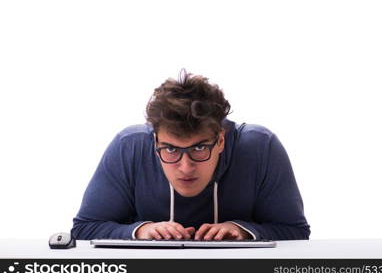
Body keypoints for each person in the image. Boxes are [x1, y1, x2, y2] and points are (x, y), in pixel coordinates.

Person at [71, 69, 310, 241]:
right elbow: (84, 229)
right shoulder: (129, 146)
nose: (185, 167)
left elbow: (296, 231)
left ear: (221, 140)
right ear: (155, 141)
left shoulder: (261, 147)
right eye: (171, 149)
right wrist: (139, 231)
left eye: (199, 148)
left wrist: (244, 231)